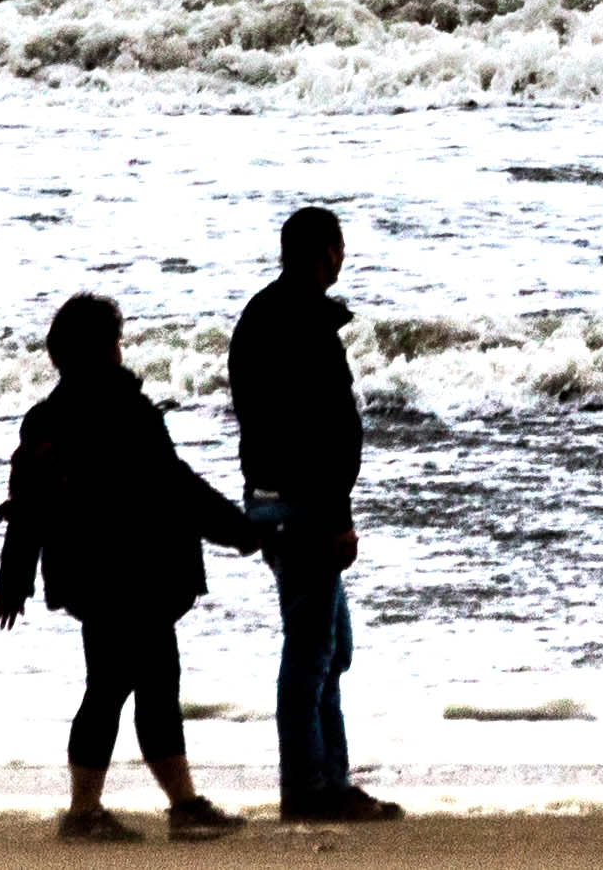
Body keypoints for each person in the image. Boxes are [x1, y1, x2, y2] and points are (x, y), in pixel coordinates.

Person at [0, 290, 266, 844]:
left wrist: (16, 577)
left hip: (88, 576)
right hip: (137, 573)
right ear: (105, 348)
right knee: (136, 686)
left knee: (126, 683)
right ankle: (118, 812)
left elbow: (29, 502)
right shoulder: (126, 409)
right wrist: (239, 531)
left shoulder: (47, 418)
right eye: (117, 339)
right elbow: (175, 486)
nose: (122, 349)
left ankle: (153, 806)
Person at [228, 208, 403, 825]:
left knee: (330, 646)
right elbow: (316, 432)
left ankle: (328, 777)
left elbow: (276, 424)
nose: (343, 258)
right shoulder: (301, 322)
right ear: (324, 251)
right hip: (304, 502)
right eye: (339, 247)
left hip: (274, 495)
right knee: (313, 649)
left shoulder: (262, 316)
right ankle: (309, 786)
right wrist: (337, 515)